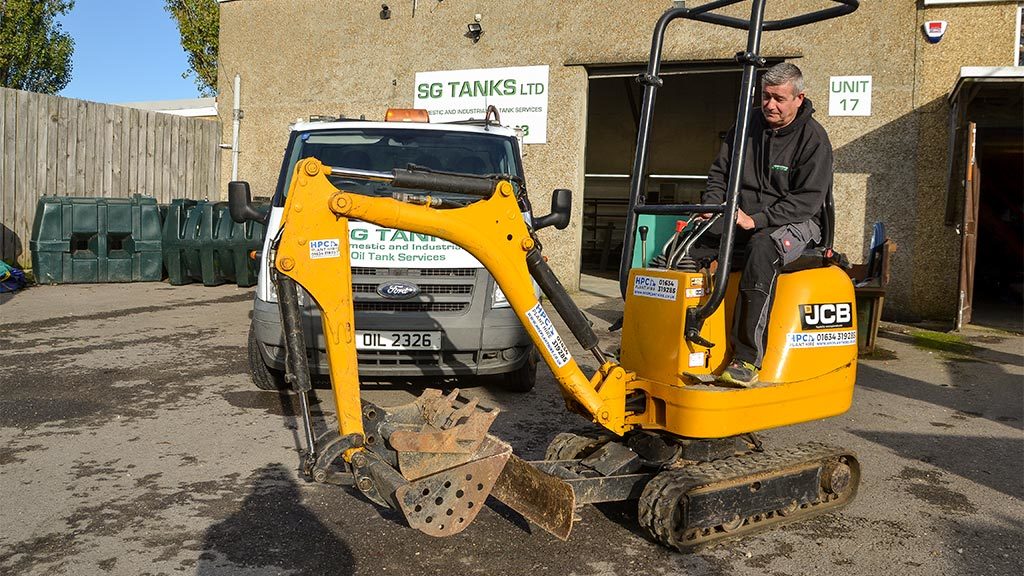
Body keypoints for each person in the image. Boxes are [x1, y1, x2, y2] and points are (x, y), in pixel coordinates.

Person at [701, 62, 834, 387]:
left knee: (763, 248)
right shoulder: (745, 126)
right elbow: (720, 172)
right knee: (688, 248)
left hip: (798, 221)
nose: (770, 105)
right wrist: (712, 206)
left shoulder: (813, 139)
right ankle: (682, 346)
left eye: (778, 98)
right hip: (745, 216)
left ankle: (747, 359)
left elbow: (807, 201)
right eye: (765, 96)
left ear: (798, 98)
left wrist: (755, 220)